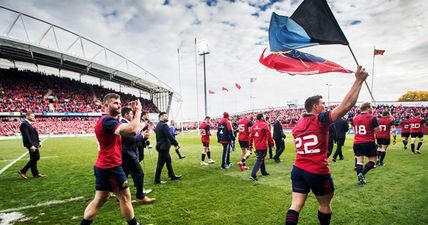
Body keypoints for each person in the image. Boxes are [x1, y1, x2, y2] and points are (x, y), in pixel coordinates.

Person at [285, 66, 368, 225]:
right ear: (315, 107)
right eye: (323, 103)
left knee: (295, 205)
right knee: (325, 205)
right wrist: (358, 80)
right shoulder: (320, 120)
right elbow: (346, 106)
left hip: (298, 170)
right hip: (317, 171)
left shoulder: (297, 126)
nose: (325, 105)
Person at [80, 93, 143, 225]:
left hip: (103, 166)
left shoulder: (108, 121)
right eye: (116, 103)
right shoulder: (107, 121)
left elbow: (131, 130)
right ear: (106, 105)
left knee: (99, 200)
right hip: (111, 167)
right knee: (125, 198)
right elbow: (132, 130)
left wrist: (133, 116)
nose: (119, 105)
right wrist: (138, 112)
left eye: (120, 103)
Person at [120, 107, 155, 204]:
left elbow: (134, 137)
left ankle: (121, 198)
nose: (133, 116)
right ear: (126, 115)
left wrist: (142, 136)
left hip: (127, 153)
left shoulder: (127, 123)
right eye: (131, 114)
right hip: (128, 154)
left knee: (124, 176)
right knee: (139, 174)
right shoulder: (124, 124)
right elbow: (130, 139)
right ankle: (140, 196)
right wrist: (142, 136)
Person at [352, 102, 381, 185]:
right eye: (371, 107)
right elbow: (377, 130)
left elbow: (354, 129)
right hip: (368, 142)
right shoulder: (372, 117)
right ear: (368, 108)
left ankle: (360, 179)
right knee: (373, 160)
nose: (372, 109)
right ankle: (362, 174)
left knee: (359, 161)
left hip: (357, 142)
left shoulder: (355, 118)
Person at [154, 112, 182, 184]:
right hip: (164, 147)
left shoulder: (158, 125)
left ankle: (172, 175)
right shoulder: (164, 125)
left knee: (168, 161)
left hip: (161, 146)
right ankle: (157, 180)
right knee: (160, 164)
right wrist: (176, 143)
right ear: (161, 117)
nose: (167, 117)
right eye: (165, 116)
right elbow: (169, 136)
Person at [18, 111, 46, 179]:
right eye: (32, 116)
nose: (34, 117)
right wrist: (31, 145)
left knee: (33, 158)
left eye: (34, 116)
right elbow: (26, 136)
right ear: (27, 116)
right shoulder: (24, 124)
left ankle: (35, 174)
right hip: (31, 144)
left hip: (34, 143)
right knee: (36, 157)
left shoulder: (29, 124)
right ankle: (23, 171)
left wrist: (39, 141)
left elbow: (34, 134)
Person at [248, 113, 274, 181]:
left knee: (261, 158)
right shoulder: (265, 125)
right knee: (259, 159)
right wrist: (272, 144)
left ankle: (263, 171)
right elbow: (269, 135)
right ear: (262, 118)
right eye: (264, 117)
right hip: (263, 145)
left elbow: (251, 136)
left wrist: (250, 144)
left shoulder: (254, 125)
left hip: (257, 145)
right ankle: (253, 175)